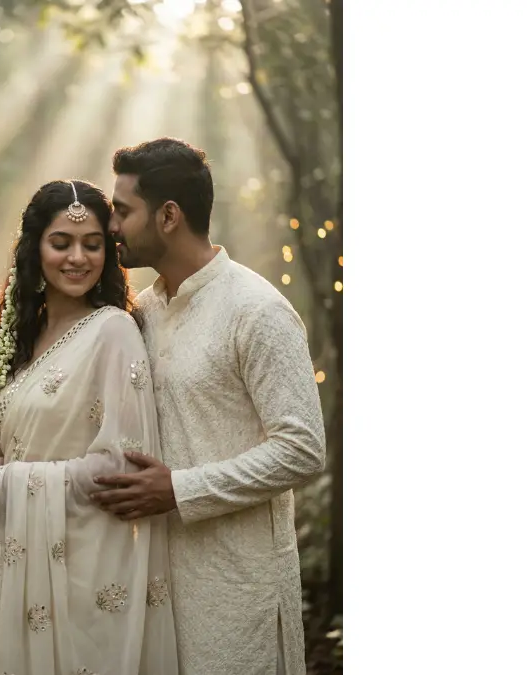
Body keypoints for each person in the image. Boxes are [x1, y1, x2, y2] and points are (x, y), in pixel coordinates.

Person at [91, 137, 327, 675]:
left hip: (239, 594)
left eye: (123, 211)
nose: (111, 227)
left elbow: (303, 448)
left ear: (169, 215)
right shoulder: (140, 314)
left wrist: (179, 489)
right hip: (152, 587)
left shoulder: (257, 310)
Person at [0, 179, 179, 675]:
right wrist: (4, 469)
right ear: (35, 248)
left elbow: (118, 465)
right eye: (61, 243)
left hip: (86, 574)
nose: (77, 257)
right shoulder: (25, 335)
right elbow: (33, 440)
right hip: (26, 560)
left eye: (92, 244)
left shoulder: (113, 330)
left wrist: (5, 485)